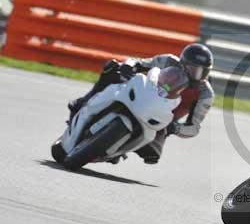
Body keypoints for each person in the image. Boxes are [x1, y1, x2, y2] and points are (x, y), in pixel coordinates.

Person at [68, 43, 215, 164]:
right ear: (183, 63)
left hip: (161, 121)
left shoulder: (205, 94)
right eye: (192, 69)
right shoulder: (168, 61)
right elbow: (140, 62)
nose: (196, 75)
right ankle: (84, 100)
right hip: (142, 94)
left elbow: (194, 128)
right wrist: (128, 66)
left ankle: (117, 150)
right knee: (112, 67)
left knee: (152, 153)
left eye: (202, 72)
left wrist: (174, 128)